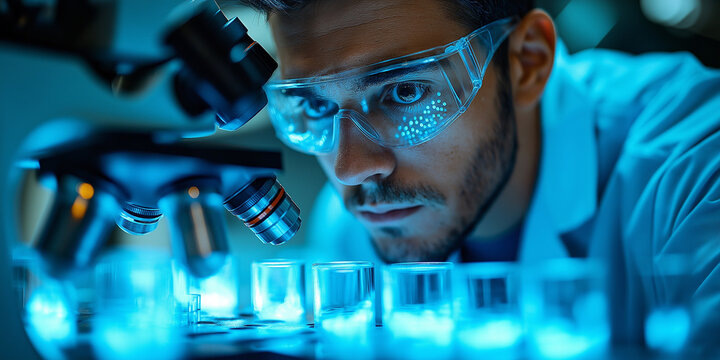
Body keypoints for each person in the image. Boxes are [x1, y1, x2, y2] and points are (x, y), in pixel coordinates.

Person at [237, 0, 720, 349]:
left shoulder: (694, 163)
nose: (350, 168)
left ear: (529, 60)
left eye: (404, 92)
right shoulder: (355, 230)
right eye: (315, 105)